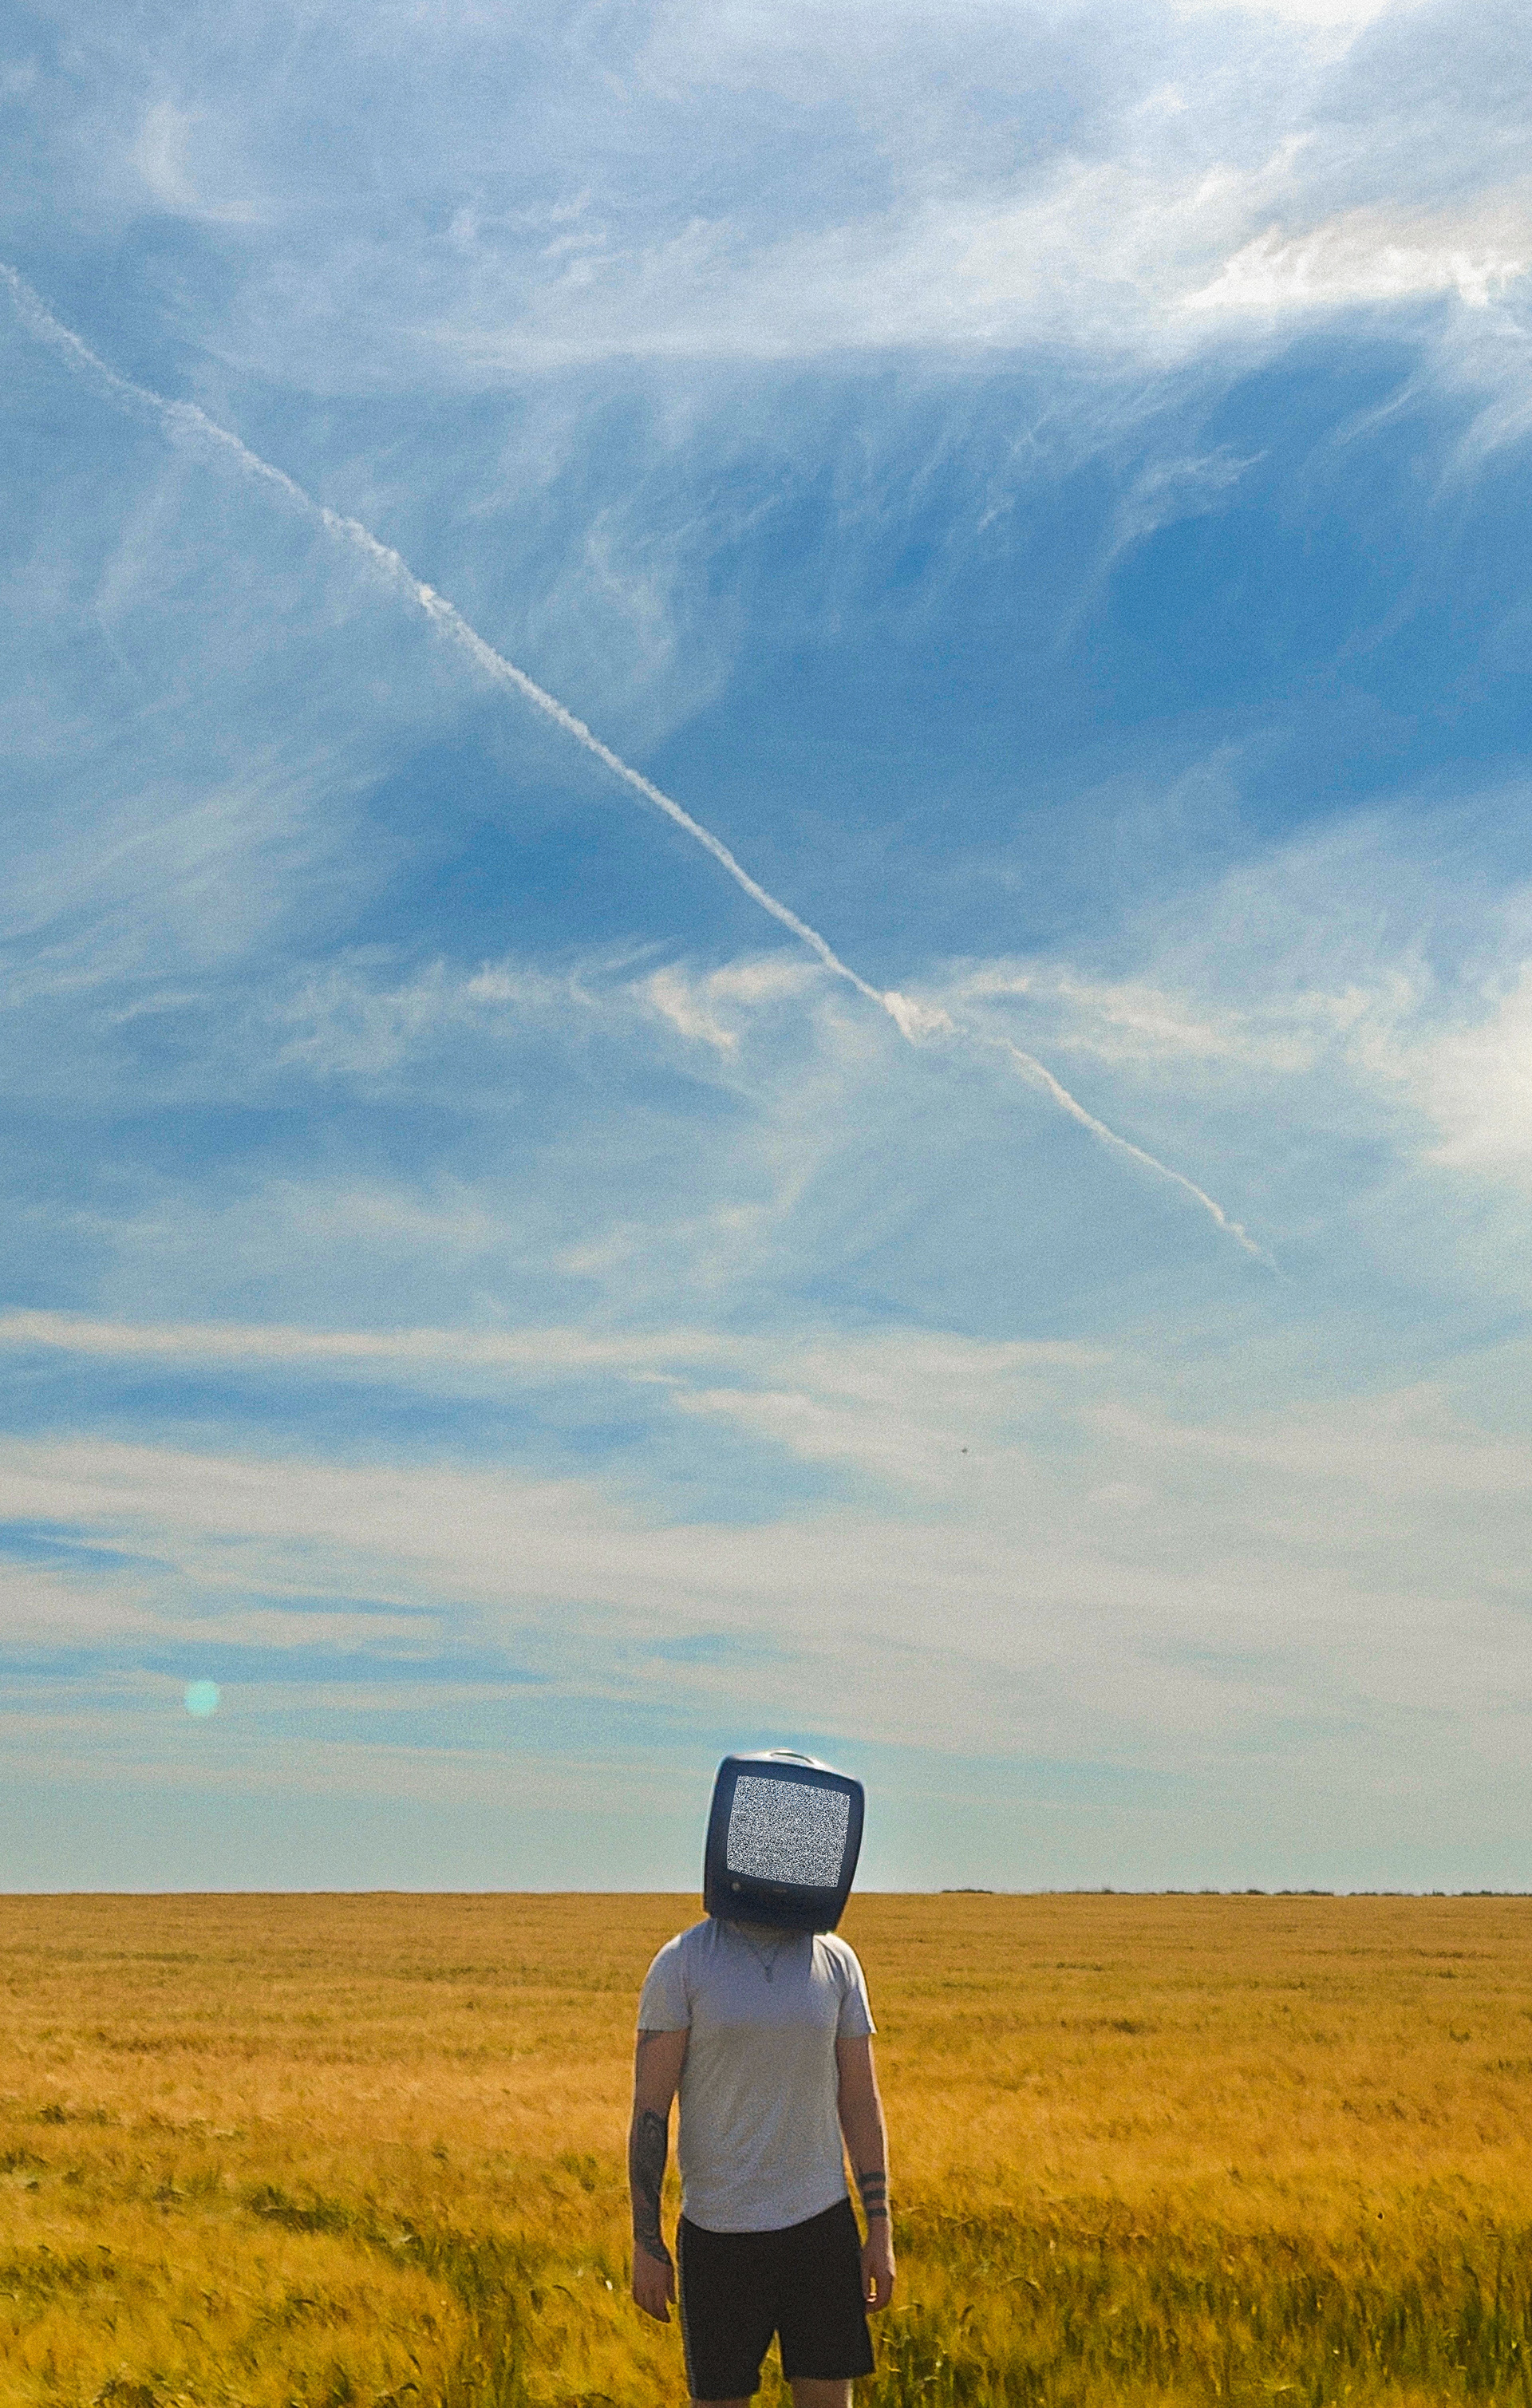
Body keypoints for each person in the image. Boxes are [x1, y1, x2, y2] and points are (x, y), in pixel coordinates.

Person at [628, 1910, 894, 2407]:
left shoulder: (836, 1961)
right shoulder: (682, 1963)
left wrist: (879, 2229)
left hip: (821, 2229)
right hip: (718, 2235)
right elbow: (650, 2113)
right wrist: (646, 2241)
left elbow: (860, 2099)